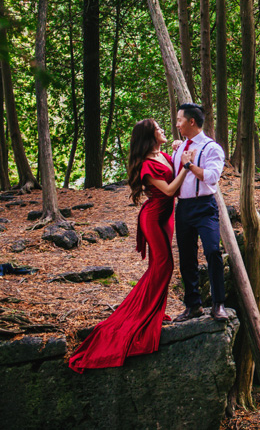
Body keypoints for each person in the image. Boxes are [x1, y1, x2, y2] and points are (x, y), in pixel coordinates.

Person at [69, 119, 194, 373]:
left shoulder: (163, 156)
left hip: (166, 217)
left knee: (161, 268)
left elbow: (176, 164)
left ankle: (152, 313)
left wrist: (181, 149)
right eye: (158, 129)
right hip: (153, 218)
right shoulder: (147, 165)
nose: (163, 131)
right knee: (164, 265)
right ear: (150, 136)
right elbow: (170, 190)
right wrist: (186, 166)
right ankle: (142, 316)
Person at [171, 103, 229, 322]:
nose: (177, 124)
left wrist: (189, 166)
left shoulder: (212, 148)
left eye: (179, 120)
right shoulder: (180, 148)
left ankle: (218, 304)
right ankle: (193, 305)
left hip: (205, 206)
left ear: (191, 121)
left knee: (213, 251)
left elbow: (212, 177)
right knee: (186, 257)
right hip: (183, 207)